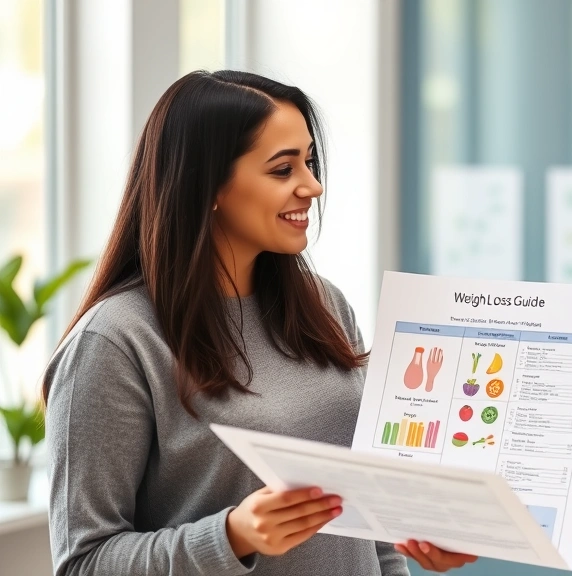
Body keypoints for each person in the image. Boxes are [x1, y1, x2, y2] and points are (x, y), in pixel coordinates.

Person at [42, 70, 475, 575]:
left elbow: (368, 524)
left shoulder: (324, 307)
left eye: (309, 162)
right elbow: (83, 563)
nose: (312, 186)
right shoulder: (115, 342)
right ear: (208, 186)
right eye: (282, 169)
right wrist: (232, 536)